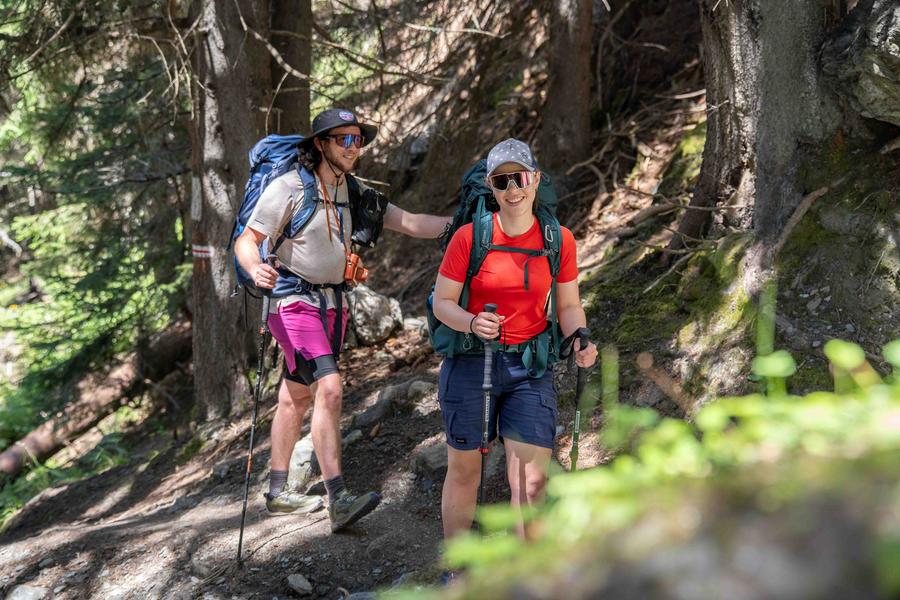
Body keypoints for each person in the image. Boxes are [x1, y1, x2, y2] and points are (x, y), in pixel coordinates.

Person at [234, 108, 451, 532]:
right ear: (321, 144)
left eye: (358, 140)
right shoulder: (289, 187)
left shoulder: (354, 191)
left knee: (296, 396)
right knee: (329, 388)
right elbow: (249, 240)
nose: (354, 147)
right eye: (343, 140)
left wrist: (464, 225)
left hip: (333, 305)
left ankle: (279, 494)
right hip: (292, 301)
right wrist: (254, 267)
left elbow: (407, 221)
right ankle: (339, 500)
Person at [431, 139, 597, 552]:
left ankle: (527, 577)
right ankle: (460, 570)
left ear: (536, 179)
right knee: (465, 469)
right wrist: (472, 321)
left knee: (531, 479)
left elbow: (569, 305)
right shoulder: (470, 238)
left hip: (529, 367)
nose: (513, 189)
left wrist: (579, 336)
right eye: (502, 181)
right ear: (491, 186)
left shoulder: (559, 240)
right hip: (471, 362)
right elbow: (441, 303)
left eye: (519, 178)